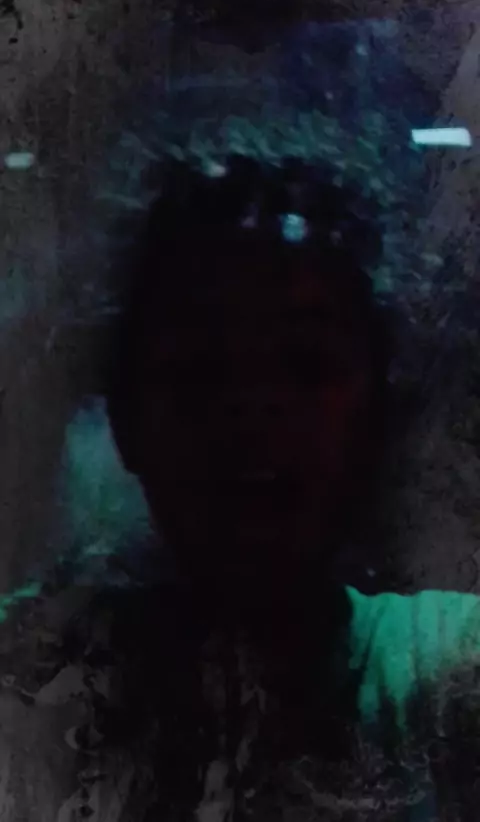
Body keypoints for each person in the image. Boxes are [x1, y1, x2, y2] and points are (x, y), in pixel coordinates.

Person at [83, 154, 480, 820]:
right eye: (201, 367)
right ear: (126, 418)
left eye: (305, 364)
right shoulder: (33, 670)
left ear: (379, 414)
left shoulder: (446, 670)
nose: (252, 408)